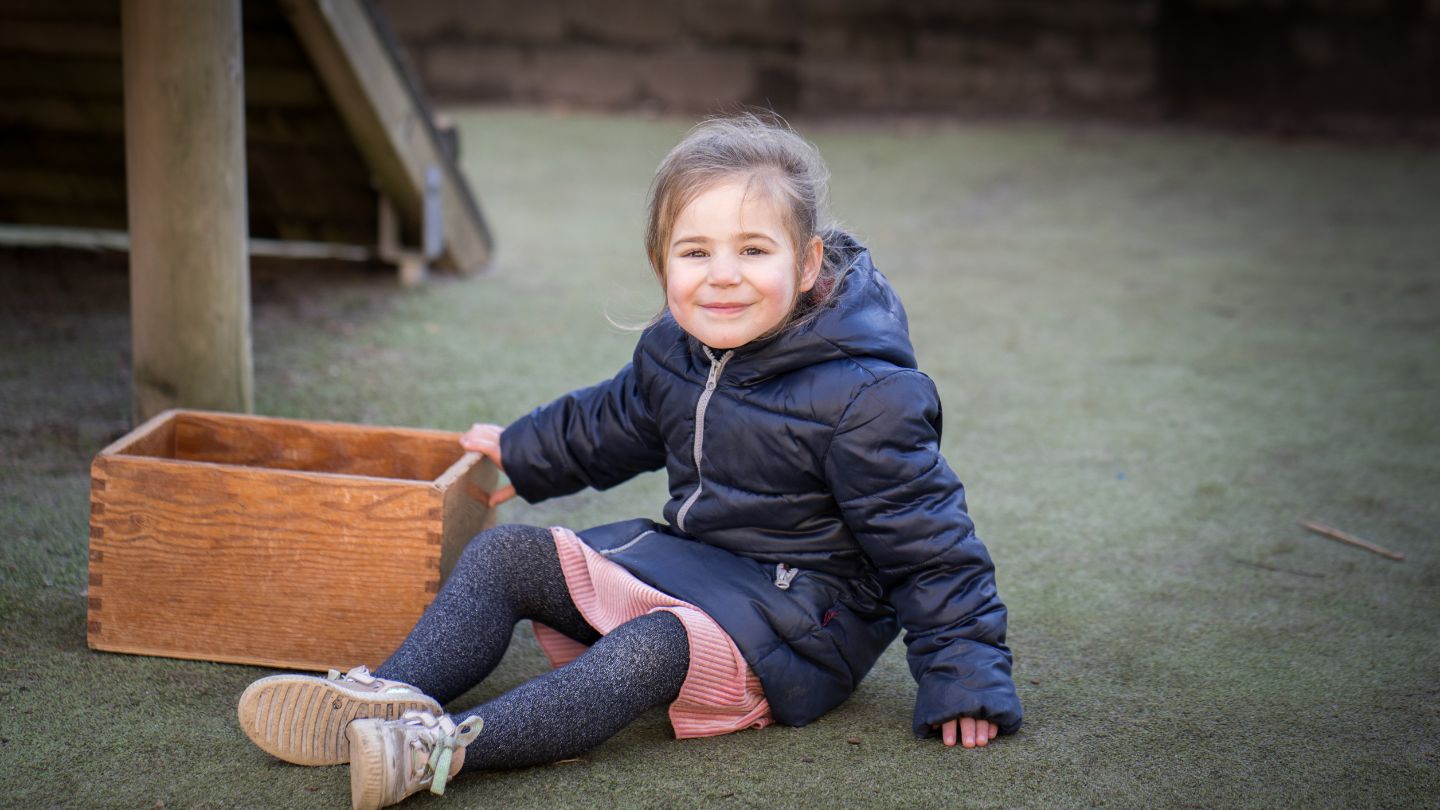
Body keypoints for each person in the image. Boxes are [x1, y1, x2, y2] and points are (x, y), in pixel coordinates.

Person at [237, 113, 1022, 810]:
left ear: (809, 262)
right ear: (662, 264)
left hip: (802, 617)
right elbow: (617, 421)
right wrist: (524, 449)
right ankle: (387, 698)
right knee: (511, 553)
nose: (722, 274)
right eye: (695, 251)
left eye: (753, 249)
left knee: (649, 646)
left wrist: (966, 679)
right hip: (691, 565)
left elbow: (931, 549)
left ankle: (440, 749)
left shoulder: (869, 398)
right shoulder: (676, 352)